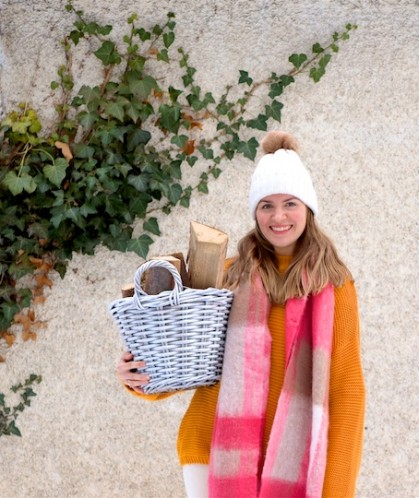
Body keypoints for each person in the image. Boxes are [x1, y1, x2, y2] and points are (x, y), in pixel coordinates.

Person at [116, 130, 366, 498]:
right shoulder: (227, 275)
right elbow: (182, 358)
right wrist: (136, 376)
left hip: (291, 466)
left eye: (290, 203)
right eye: (266, 205)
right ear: (255, 212)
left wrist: (337, 489)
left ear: (308, 208)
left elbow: (346, 391)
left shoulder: (335, 286)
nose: (278, 216)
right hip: (211, 451)